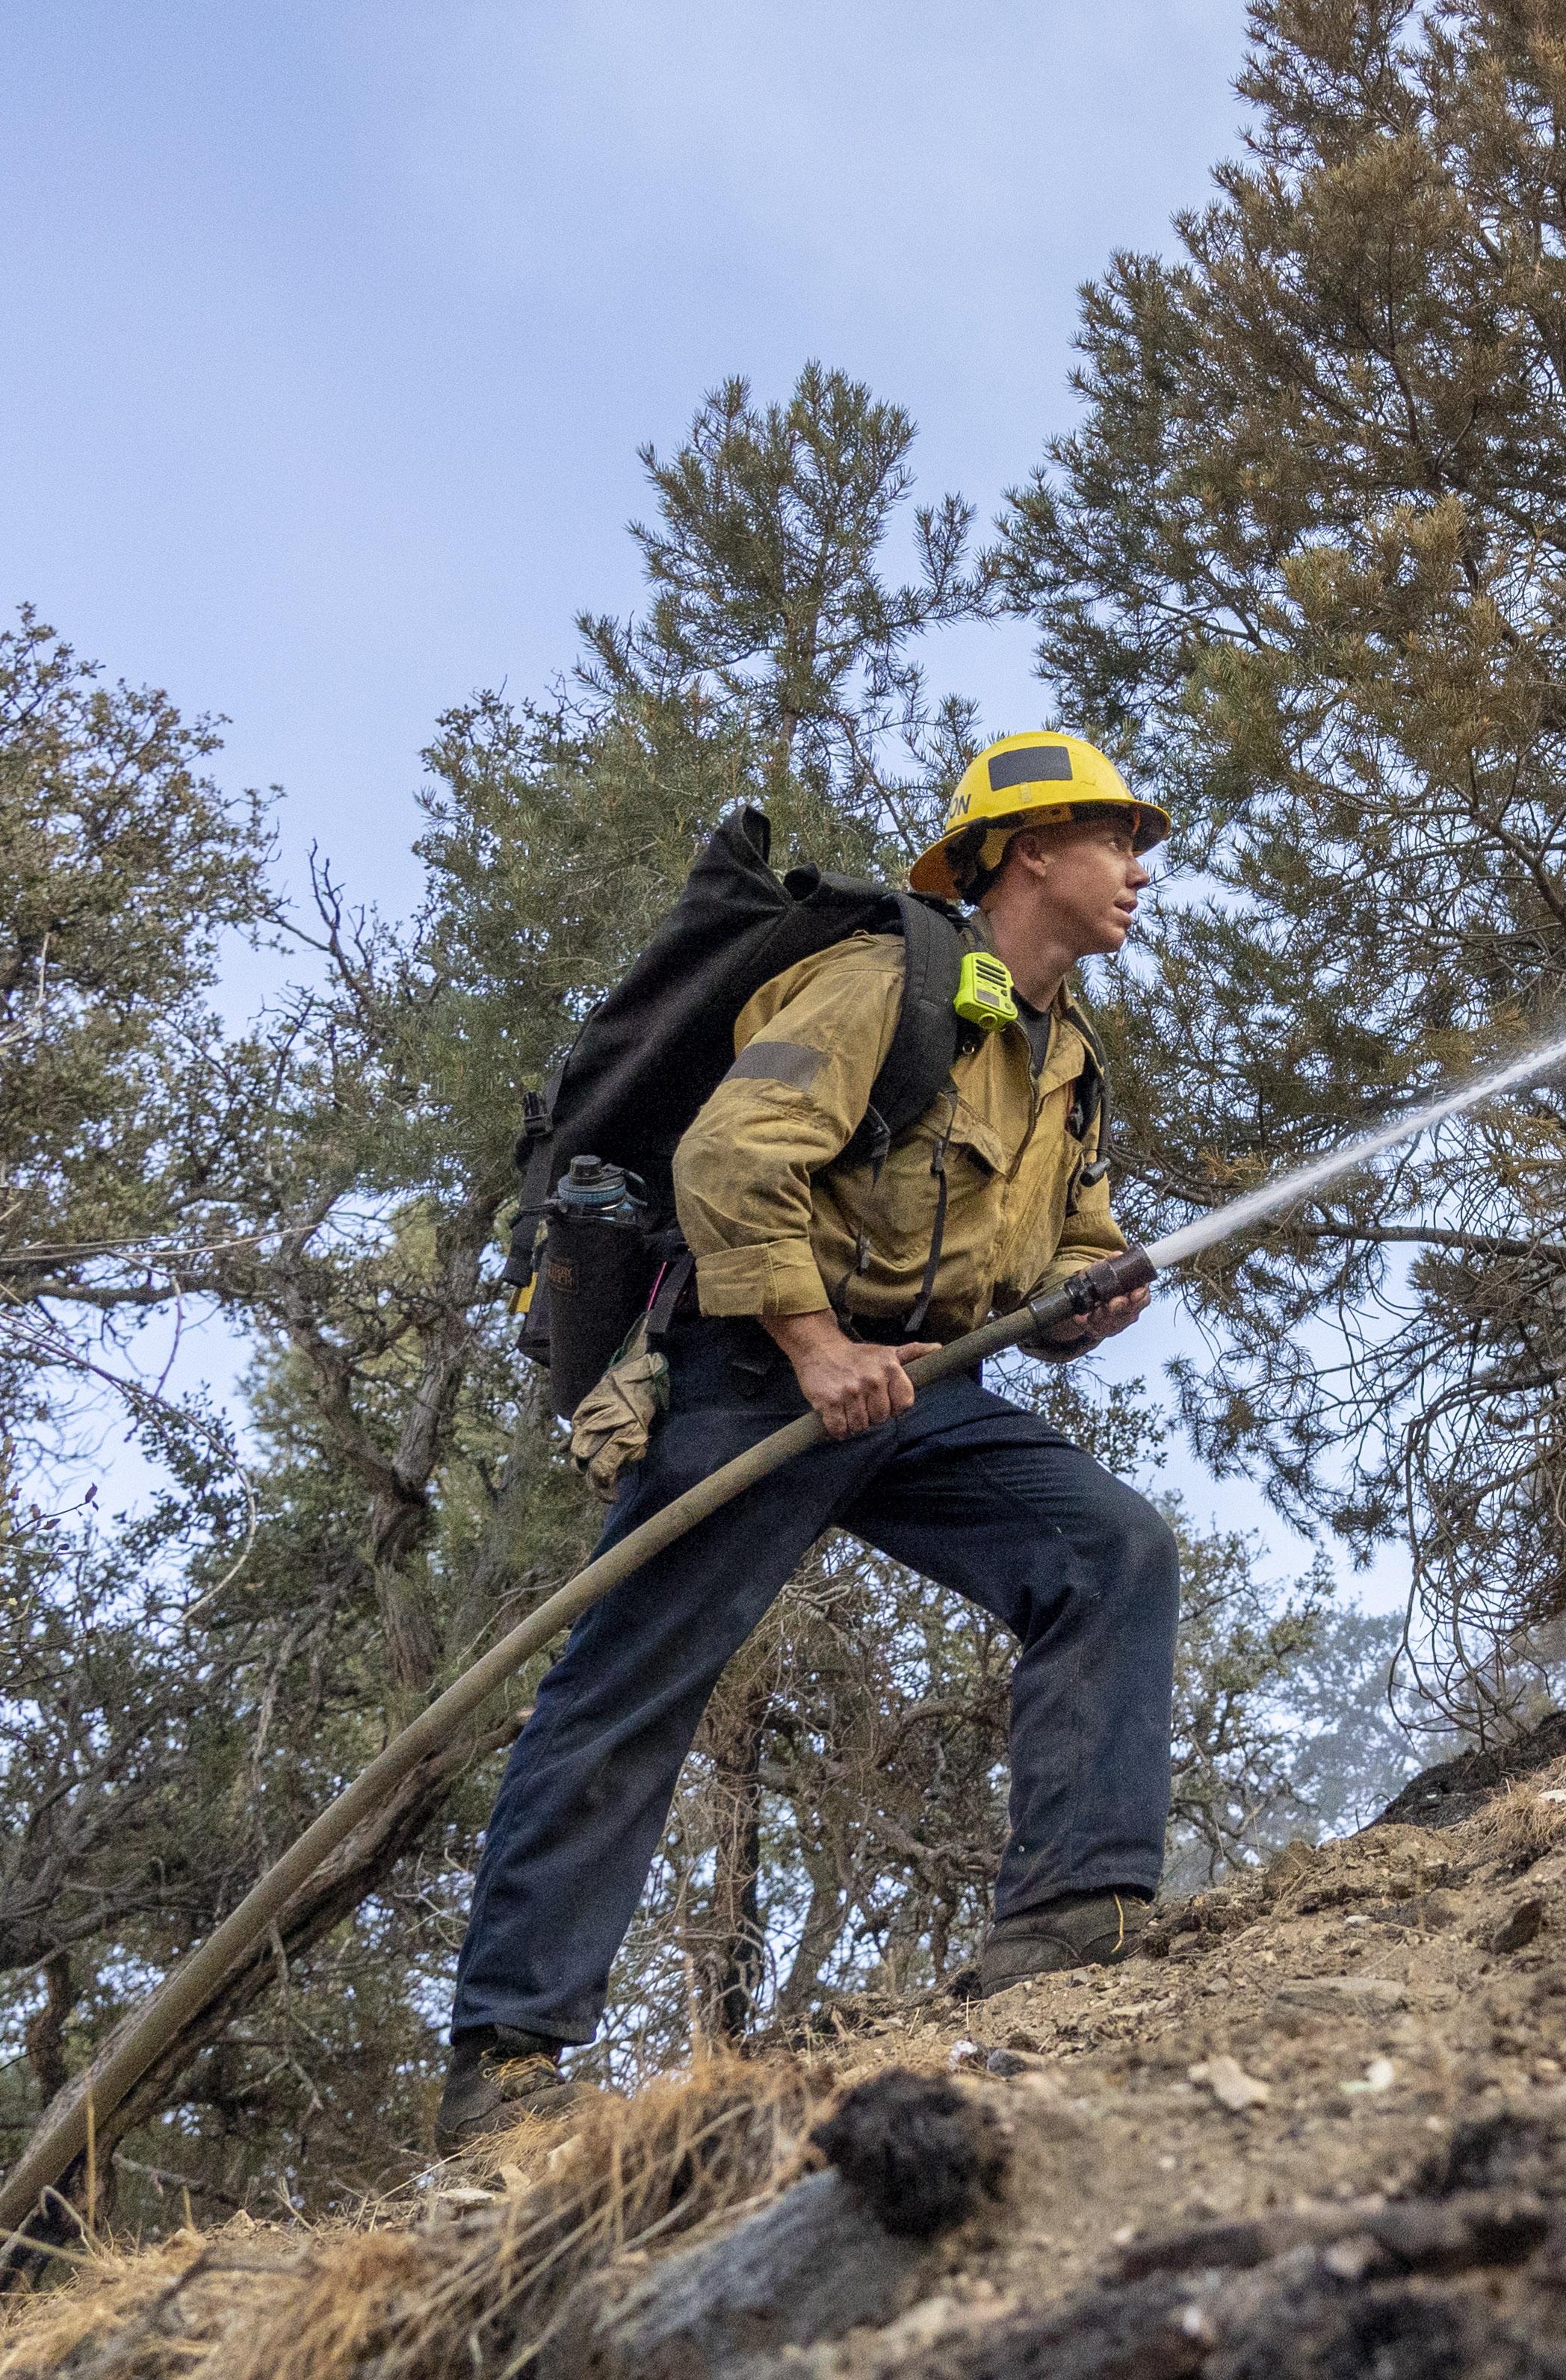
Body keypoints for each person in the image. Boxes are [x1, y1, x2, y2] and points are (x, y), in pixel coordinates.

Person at [436, 731, 1176, 2151]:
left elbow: (1058, 1238)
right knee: (630, 1684)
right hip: (755, 1375)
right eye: (1116, 841)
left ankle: (1070, 1919)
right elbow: (729, 1160)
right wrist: (813, 1347)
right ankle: (509, 2063)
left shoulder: (1062, 1048)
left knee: (1108, 1546)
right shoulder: (879, 982)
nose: (1139, 872)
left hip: (914, 1391)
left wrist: (1093, 1293)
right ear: (1031, 852)